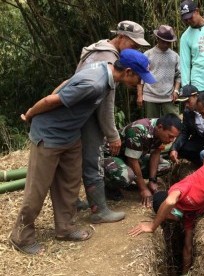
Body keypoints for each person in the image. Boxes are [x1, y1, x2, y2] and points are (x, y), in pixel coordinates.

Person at [10, 49, 156, 255]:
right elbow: (52, 101)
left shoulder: (106, 74)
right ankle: (21, 236)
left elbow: (67, 82)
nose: (141, 83)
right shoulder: (95, 83)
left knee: (69, 184)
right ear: (129, 72)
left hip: (71, 135)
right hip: (50, 135)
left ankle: (65, 228)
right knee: (38, 188)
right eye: (140, 78)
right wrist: (31, 115)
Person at [76, 20, 151, 224]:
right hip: (89, 116)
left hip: (79, 113)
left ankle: (73, 202)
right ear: (121, 37)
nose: (135, 49)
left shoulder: (96, 49)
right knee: (93, 160)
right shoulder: (108, 58)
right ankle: (99, 210)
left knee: (74, 160)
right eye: (134, 44)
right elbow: (105, 103)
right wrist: (112, 134)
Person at [103, 114, 182, 208]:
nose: (172, 140)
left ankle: (130, 181)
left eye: (174, 137)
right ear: (160, 127)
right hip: (110, 156)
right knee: (125, 175)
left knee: (165, 165)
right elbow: (132, 161)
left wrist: (152, 180)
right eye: (170, 136)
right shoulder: (138, 130)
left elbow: (156, 153)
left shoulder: (161, 129)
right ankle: (109, 186)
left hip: (131, 156)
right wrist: (143, 189)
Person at [137, 25, 181, 118]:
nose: (165, 44)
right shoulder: (148, 54)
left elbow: (179, 75)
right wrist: (140, 95)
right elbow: (141, 76)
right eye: (163, 41)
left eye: (168, 43)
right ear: (157, 39)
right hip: (150, 95)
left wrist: (176, 90)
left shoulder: (175, 56)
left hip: (169, 96)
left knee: (174, 123)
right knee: (152, 125)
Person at [170, 85, 204, 167]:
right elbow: (184, 132)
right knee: (180, 149)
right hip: (200, 143)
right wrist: (174, 148)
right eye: (184, 103)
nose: (186, 105)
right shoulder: (187, 112)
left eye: (188, 101)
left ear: (196, 96)